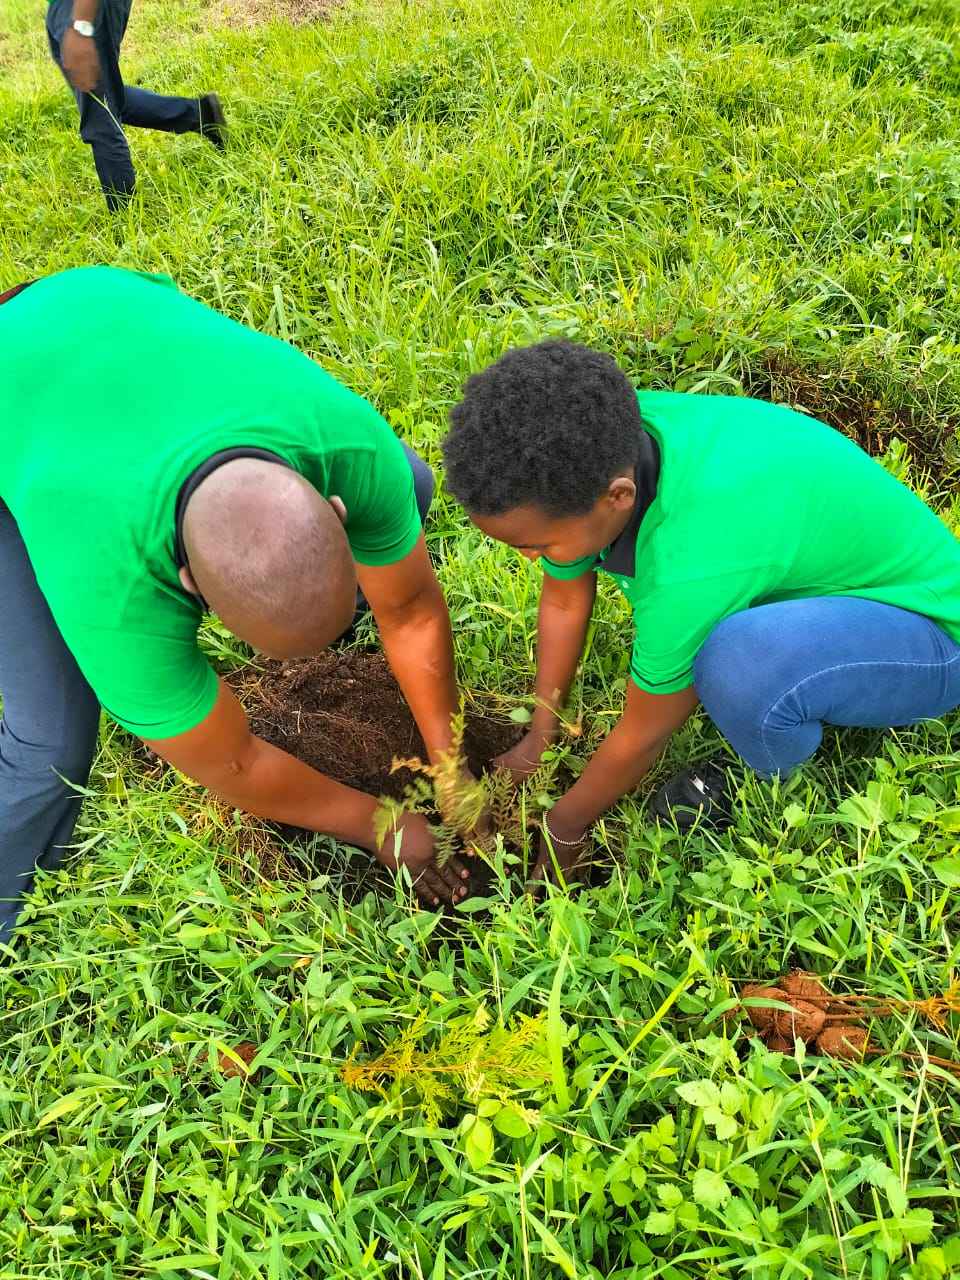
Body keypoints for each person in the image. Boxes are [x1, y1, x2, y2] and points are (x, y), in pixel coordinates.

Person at [0, 265, 476, 947]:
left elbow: (413, 610)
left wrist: (451, 763)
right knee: (51, 740)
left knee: (413, 484)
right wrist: (379, 824)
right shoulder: (117, 599)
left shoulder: (348, 443)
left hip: (92, 302)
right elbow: (234, 764)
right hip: (24, 406)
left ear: (334, 507)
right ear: (186, 586)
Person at [441, 340, 960, 882]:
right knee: (727, 640)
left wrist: (566, 825)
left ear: (618, 498)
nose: (531, 559)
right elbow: (565, 597)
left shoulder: (688, 564)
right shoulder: (601, 446)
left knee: (739, 665)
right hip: (816, 590)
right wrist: (540, 734)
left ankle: (762, 770)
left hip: (929, 634)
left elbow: (645, 731)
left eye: (539, 546)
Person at [46, 0, 226, 211]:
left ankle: (125, 218)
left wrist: (81, 25)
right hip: (64, 10)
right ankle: (201, 115)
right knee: (106, 98)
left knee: (100, 118)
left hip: (81, 11)